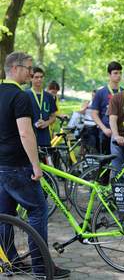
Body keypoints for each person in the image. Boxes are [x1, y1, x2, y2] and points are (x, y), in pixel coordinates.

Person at [0, 51, 70, 278]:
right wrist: (36, 165)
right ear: (15, 68)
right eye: (29, 68)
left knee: (5, 215)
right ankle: (42, 268)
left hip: (1, 166)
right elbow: (25, 133)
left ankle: (11, 262)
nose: (32, 73)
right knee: (38, 210)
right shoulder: (21, 97)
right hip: (19, 166)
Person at [92, 61, 123, 154]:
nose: (118, 76)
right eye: (115, 73)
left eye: (120, 73)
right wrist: (104, 129)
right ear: (109, 75)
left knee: (121, 164)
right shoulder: (100, 92)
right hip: (106, 133)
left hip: (121, 133)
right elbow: (94, 114)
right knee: (106, 165)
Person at [26, 67, 57, 147]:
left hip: (45, 137)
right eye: (36, 77)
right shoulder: (25, 95)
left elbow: (53, 117)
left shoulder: (49, 96)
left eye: (41, 77)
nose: (39, 79)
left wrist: (46, 123)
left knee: (46, 159)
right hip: (29, 136)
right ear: (31, 79)